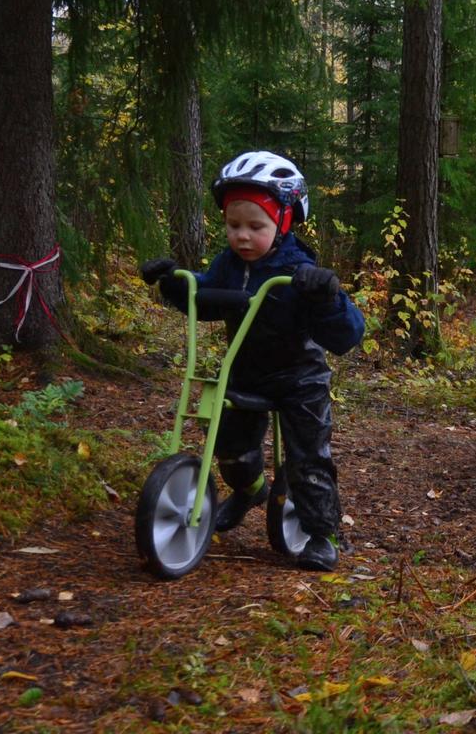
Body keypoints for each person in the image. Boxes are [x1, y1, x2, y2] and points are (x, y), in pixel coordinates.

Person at [140, 151, 365, 571]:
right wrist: (174, 283)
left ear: (283, 223)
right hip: (244, 373)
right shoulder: (228, 265)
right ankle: (251, 490)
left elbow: (347, 335)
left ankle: (321, 534)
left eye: (255, 226)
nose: (242, 236)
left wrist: (327, 296)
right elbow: (204, 299)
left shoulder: (301, 271)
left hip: (299, 378)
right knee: (231, 450)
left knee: (308, 458)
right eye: (233, 225)